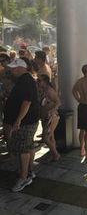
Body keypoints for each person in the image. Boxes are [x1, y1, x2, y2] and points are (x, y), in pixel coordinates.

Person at [4, 58, 40, 192]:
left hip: (26, 122)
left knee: (23, 149)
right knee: (27, 147)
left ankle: (24, 177)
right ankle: (28, 173)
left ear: (21, 68)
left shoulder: (26, 81)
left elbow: (27, 102)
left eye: (14, 68)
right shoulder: (24, 80)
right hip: (27, 121)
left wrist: (18, 120)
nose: (11, 70)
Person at [72, 64, 87, 158]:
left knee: (82, 129)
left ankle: (82, 150)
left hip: (81, 106)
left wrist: (79, 100)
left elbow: (73, 91)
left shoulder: (79, 82)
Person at [38, 74, 61, 161]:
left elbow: (58, 102)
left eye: (40, 81)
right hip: (46, 117)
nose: (38, 82)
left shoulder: (49, 90)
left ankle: (56, 154)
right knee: (51, 137)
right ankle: (54, 154)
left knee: (46, 138)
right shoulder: (44, 90)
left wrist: (52, 111)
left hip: (51, 117)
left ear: (45, 81)